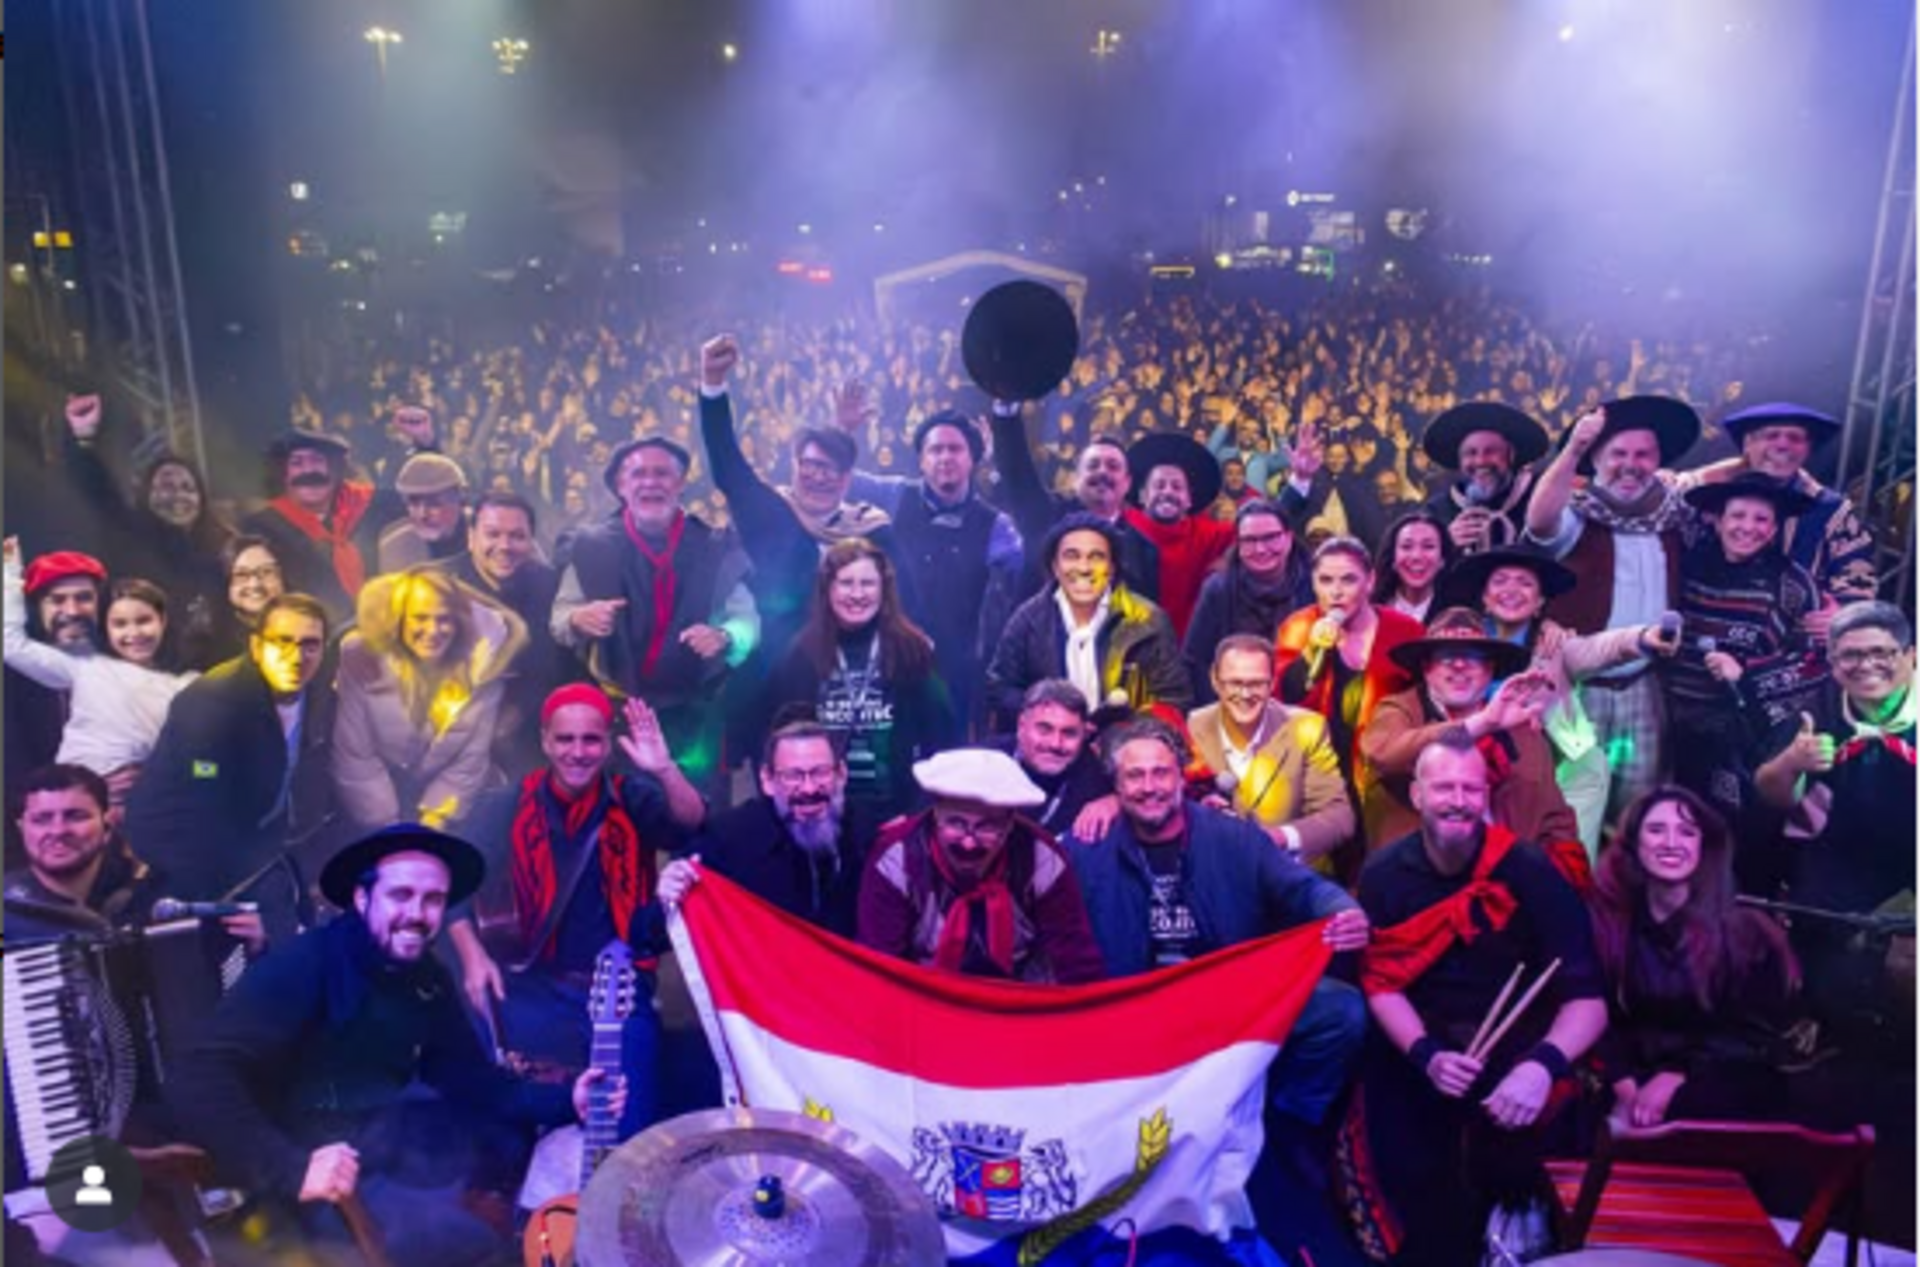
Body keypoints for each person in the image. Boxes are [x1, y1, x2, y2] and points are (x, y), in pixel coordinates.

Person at [167, 825, 618, 1267]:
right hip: (305, 1172)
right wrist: (290, 1169)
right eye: (400, 895)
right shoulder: (307, 964)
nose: (418, 914)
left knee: (513, 1153)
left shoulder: (427, 977)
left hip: (379, 1145)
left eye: (433, 899)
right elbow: (198, 1073)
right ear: (362, 900)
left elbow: (471, 1081)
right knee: (476, 1246)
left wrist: (568, 1099)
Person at [1068, 718, 1369, 1254]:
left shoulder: (1233, 837)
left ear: (1181, 779)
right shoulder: (1088, 845)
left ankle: (1289, 1125)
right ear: (1114, 788)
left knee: (1339, 1012)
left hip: (1231, 1009)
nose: (1149, 786)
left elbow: (1304, 889)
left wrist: (1342, 911)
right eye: (1133, 777)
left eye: (1161, 773)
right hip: (1135, 1017)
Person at [1342, 734, 1608, 1266]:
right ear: (1416, 795)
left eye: (1471, 788)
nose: (1458, 800)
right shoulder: (1384, 875)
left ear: (1486, 795)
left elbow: (1589, 1001)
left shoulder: (1530, 871)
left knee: (1526, 1140)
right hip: (1423, 1051)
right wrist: (1425, 1055)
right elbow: (1381, 984)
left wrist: (1540, 1068)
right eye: (1444, 787)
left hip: (1520, 1054)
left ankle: (1526, 1240)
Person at [447, 684, 701, 1138]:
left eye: (591, 740)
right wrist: (472, 955)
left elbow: (690, 822)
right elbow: (451, 880)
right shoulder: (506, 804)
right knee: (495, 1111)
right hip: (532, 988)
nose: (578, 752)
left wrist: (664, 769)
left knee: (626, 1132)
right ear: (545, 741)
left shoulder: (632, 797)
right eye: (565, 739)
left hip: (618, 991)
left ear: (606, 743)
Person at [1526, 397, 1702, 822]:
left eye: (1642, 454)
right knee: (1572, 811)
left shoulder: (1673, 516)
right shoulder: (1579, 515)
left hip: (1643, 685)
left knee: (1638, 813)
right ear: (1597, 460)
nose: (1630, 464)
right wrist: (1572, 450)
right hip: (1580, 687)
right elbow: (1538, 523)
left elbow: (1710, 481)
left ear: (1657, 459)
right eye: (1617, 454)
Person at [127, 593, 340, 940]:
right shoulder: (212, 702)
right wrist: (262, 906)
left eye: (310, 645)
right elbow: (204, 803)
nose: (297, 656)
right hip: (180, 846)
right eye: (282, 642)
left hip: (254, 840)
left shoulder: (320, 696)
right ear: (256, 647)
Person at [1441, 546, 1678, 857]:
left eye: (1525, 583)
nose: (1511, 590)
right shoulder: (1460, 645)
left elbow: (1601, 648)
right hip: (1477, 777)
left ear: (1540, 602)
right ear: (1484, 597)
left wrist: (1644, 637)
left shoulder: (1556, 646)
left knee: (1561, 870)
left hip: (1560, 777)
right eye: (1500, 581)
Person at [1588, 786, 1802, 1126]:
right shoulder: (1608, 925)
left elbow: (1753, 1040)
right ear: (1633, 843)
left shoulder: (1747, 932)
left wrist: (1678, 1075)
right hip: (1629, 1083)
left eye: (1686, 832)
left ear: (1703, 846)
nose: (1672, 843)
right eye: (1656, 830)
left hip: (1717, 1084)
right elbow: (1600, 1022)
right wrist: (1625, 1088)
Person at [552, 437, 756, 792]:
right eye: (638, 474)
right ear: (620, 485)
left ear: (680, 484)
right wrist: (577, 619)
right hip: (617, 717)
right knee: (622, 824)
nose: (650, 483)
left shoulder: (714, 545)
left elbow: (748, 621)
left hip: (693, 715)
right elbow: (559, 618)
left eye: (662, 474)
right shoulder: (590, 546)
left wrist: (725, 637)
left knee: (698, 823)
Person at [696, 335, 891, 662]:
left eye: (828, 470)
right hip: (781, 668)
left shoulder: (871, 528)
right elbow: (728, 467)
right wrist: (713, 384)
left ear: (846, 480)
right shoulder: (773, 512)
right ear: (794, 466)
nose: (817, 476)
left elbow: (903, 599)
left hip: (859, 671)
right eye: (809, 466)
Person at [840, 396, 1025, 734]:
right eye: (935, 450)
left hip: (957, 672)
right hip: (887, 658)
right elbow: (842, 480)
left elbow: (1017, 591)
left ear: (974, 459)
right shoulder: (896, 495)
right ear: (921, 461)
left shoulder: (998, 527)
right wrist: (844, 433)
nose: (945, 457)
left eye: (955, 449)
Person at [858, 748, 1104, 984]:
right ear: (935, 814)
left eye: (987, 827)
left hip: (1019, 1002)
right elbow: (880, 964)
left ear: (1010, 823)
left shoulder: (1043, 859)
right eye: (956, 823)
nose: (968, 842)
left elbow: (1074, 959)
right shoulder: (896, 858)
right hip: (920, 999)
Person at [1360, 607, 1581, 864]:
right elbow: (1383, 755)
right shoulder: (1399, 710)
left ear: (1490, 668)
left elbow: (1556, 821)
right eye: (1446, 656)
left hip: (1507, 881)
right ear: (1426, 668)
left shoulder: (1522, 729)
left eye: (1473, 656)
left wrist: (1548, 879)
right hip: (1418, 884)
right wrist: (1480, 724)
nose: (1459, 665)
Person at [1668, 475, 1825, 818]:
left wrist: (1748, 673)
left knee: (1727, 830)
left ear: (1773, 530)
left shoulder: (1793, 583)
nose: (1748, 527)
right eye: (1738, 516)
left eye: (1761, 519)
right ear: (1719, 520)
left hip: (1742, 733)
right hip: (1667, 721)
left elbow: (1814, 663)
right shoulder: (1683, 567)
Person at [769, 539, 958, 821]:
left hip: (897, 812)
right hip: (821, 809)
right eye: (846, 583)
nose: (857, 594)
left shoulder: (913, 649)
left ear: (884, 589)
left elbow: (942, 740)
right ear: (828, 589)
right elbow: (781, 741)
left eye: (867, 583)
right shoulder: (801, 652)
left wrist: (918, 811)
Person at [4, 540, 198, 810]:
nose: (134, 633)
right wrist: (9, 570)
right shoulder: (80, 668)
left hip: (151, 804)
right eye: (57, 600)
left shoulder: (187, 684)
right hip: (62, 811)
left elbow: (208, 761)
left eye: (83, 598)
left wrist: (175, 776)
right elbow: (9, 642)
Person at [333, 567, 526, 831]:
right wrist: (387, 828)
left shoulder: (484, 664)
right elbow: (355, 756)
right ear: (399, 619)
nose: (433, 630)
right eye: (420, 618)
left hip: (457, 802)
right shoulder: (361, 659)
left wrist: (436, 819)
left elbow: (472, 757)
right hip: (375, 803)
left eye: (444, 619)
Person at [1272, 536, 1424, 849]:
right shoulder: (1298, 627)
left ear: (1370, 581)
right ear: (1313, 583)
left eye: (1348, 580)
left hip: (1386, 779)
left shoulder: (1406, 631)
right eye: (1325, 580)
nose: (1336, 592)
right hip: (1319, 778)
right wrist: (1312, 650)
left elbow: (1423, 703)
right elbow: (1284, 699)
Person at [663, 721, 871, 937]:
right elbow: (649, 932)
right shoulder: (731, 838)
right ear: (767, 780)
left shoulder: (870, 835)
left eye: (821, 772)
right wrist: (669, 896)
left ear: (841, 775)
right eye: (793, 775)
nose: (809, 788)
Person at [986, 513, 1190, 727]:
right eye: (1072, 556)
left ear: (1112, 568)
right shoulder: (1027, 620)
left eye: (1096, 557)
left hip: (1126, 748)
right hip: (1051, 747)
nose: (1084, 568)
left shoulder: (1148, 620)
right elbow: (1000, 689)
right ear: (1055, 566)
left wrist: (1125, 734)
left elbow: (1174, 699)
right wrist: (1050, 719)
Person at [1675, 402, 1876, 615]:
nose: (1782, 445)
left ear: (1807, 449)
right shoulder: (1704, 494)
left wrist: (1843, 612)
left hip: (1795, 633)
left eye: (1795, 438)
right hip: (1705, 622)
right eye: (1771, 435)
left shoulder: (1831, 509)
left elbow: (1857, 573)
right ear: (1747, 444)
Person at [1185, 635, 1356, 874]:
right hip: (1211, 877)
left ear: (1273, 682)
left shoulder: (1307, 729)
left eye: (1256, 684)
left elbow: (1339, 818)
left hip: (1287, 879)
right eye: (1235, 683)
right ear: (1215, 680)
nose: (1245, 695)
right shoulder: (1191, 728)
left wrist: (1280, 838)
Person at [240, 411, 431, 621]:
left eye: (317, 460)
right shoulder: (263, 529)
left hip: (390, 628)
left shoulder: (378, 506)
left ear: (335, 468)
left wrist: (426, 444)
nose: (309, 471)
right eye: (297, 463)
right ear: (284, 474)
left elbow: (430, 497)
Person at [447, 492, 575, 777]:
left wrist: (516, 715)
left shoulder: (551, 587)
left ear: (531, 541)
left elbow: (555, 670)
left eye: (517, 536)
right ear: (471, 537)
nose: (504, 546)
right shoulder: (438, 585)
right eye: (492, 534)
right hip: (449, 731)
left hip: (532, 731)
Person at [987, 402, 1161, 602]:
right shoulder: (1046, 516)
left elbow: (1145, 621)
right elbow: (1016, 472)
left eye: (1113, 466)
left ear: (1127, 483)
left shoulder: (1144, 551)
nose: (1103, 471)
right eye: (1093, 465)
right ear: (1077, 477)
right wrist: (1006, 410)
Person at [4, 547, 106, 820]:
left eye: (84, 598)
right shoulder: (14, 672)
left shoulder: (122, 662)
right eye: (57, 600)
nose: (72, 610)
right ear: (38, 609)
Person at [1183, 499, 1313, 706]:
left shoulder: (1315, 583)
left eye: (1270, 537)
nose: (1260, 549)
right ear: (1238, 544)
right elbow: (1196, 661)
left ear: (1289, 538)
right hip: (1232, 705)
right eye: (1249, 540)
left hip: (1303, 709)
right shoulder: (1218, 589)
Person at [1123, 433, 1236, 639]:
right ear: (1142, 495)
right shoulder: (1120, 527)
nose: (1168, 492)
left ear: (1188, 500)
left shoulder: (1206, 534)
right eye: (1159, 485)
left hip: (1185, 653)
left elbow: (1260, 528)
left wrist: (1299, 482)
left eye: (1177, 487)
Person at [1418, 401, 1551, 555]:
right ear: (1459, 461)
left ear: (1511, 456)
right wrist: (1443, 546)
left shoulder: (1539, 501)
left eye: (1491, 451)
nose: (1480, 461)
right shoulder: (1437, 512)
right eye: (1471, 453)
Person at [991, 679, 1117, 840]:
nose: (1055, 744)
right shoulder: (983, 760)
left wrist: (1115, 802)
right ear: (1022, 725)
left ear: (1085, 735)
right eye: (1044, 730)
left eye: (1069, 733)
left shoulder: (1098, 781)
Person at [375, 451, 470, 573]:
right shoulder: (396, 548)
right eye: (414, 503)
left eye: (434, 503)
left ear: (460, 498)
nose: (422, 514)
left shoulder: (489, 536)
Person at [203, 535, 288, 667]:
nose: (255, 584)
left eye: (266, 572)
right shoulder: (209, 646)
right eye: (241, 575)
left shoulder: (310, 624)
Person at [1370, 511, 1452, 624]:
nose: (1416, 556)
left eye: (1428, 546)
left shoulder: (1454, 615)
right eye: (1406, 547)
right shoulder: (1369, 611)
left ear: (1442, 559)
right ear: (1393, 556)